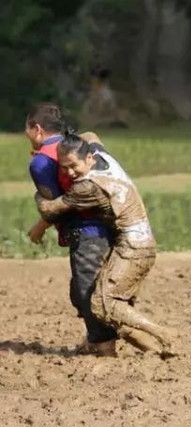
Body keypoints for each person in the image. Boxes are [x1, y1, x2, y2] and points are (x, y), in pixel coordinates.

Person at [35, 132, 173, 357]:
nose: (70, 173)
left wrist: (39, 193)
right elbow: (90, 134)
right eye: (63, 167)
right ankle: (154, 349)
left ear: (89, 158)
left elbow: (49, 210)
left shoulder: (87, 187)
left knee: (102, 304)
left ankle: (164, 334)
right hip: (139, 241)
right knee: (103, 303)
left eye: (73, 166)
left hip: (133, 247)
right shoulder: (103, 155)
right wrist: (68, 141)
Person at [25, 103, 118, 356]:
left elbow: (55, 206)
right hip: (113, 224)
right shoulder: (77, 145)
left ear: (37, 129)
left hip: (88, 232)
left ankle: (104, 345)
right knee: (80, 291)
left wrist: (39, 227)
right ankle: (99, 337)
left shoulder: (42, 162)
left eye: (27, 129)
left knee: (87, 291)